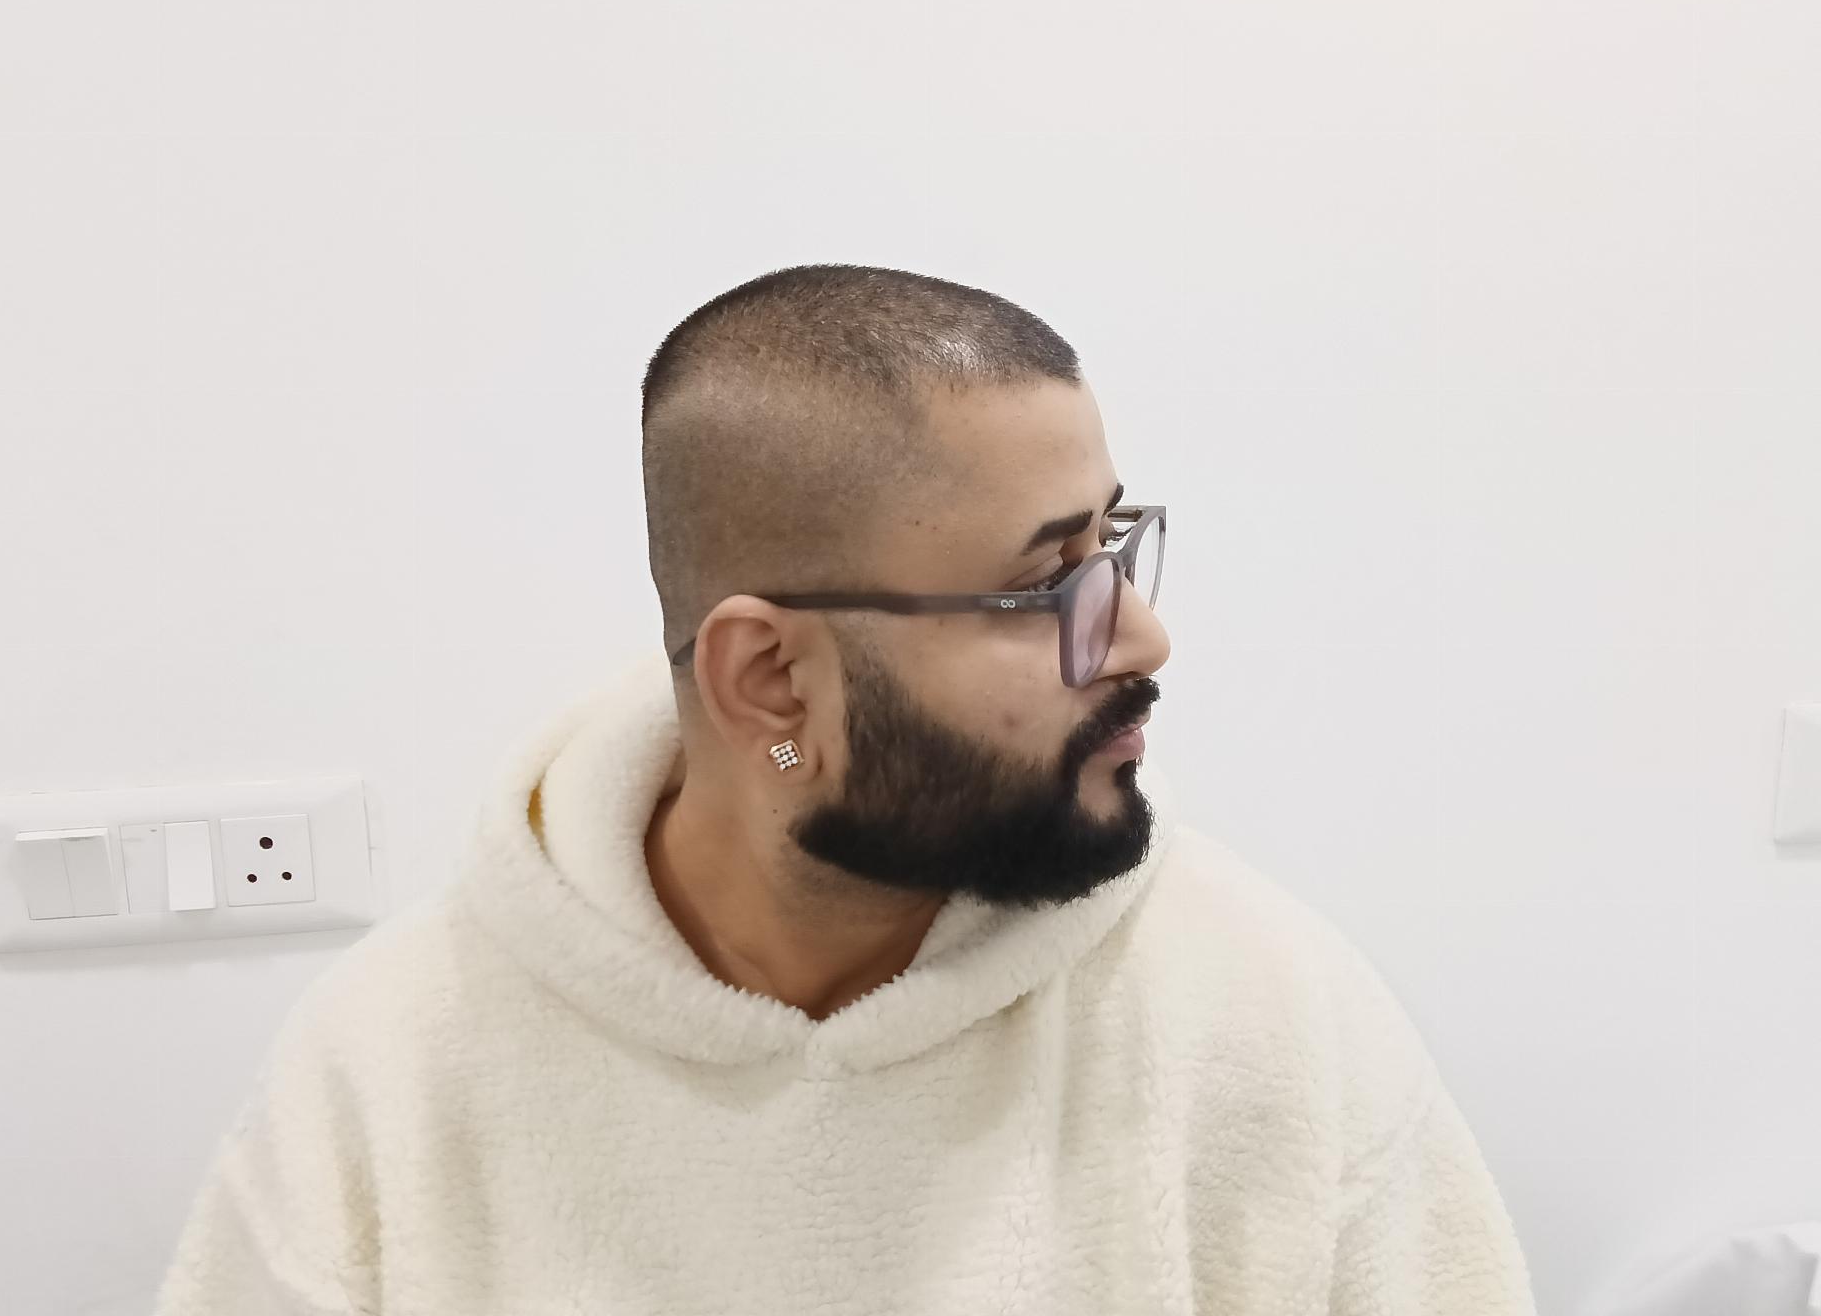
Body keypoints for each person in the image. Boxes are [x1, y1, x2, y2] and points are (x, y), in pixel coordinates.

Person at [153, 263, 1538, 1314]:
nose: (1140, 639)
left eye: (1115, 550)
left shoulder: (1262, 1020)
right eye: (1049, 585)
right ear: (772, 682)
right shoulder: (392, 1077)